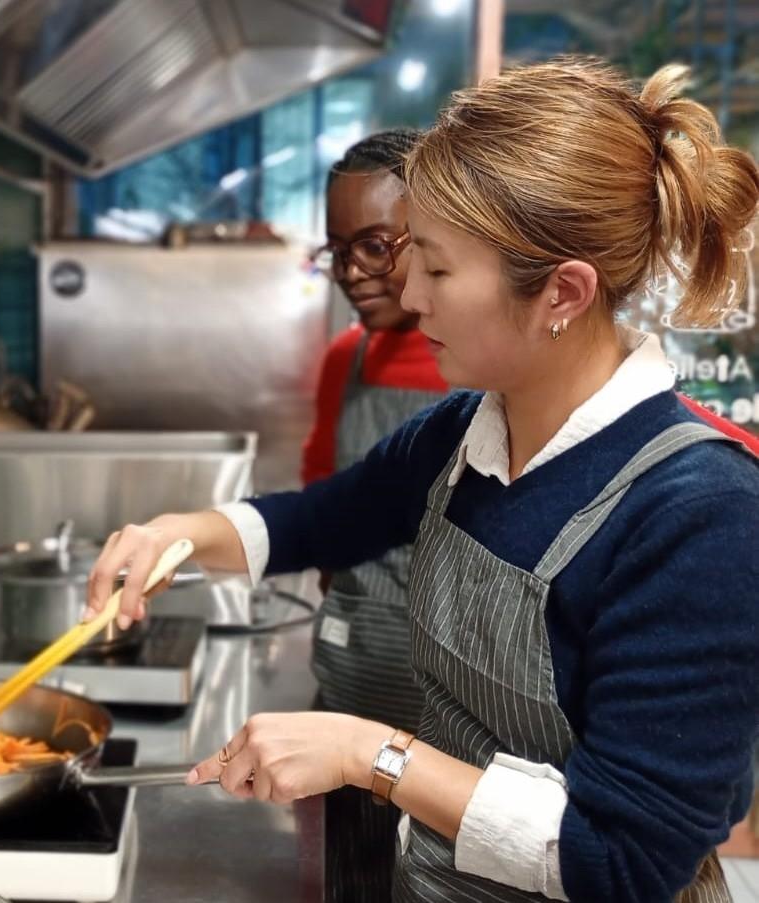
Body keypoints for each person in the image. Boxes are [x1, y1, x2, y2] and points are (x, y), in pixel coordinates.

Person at [86, 58, 759, 901]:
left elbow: (621, 859)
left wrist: (368, 754)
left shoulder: (700, 512)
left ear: (563, 291)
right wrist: (175, 536)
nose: (408, 291)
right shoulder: (471, 429)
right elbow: (318, 520)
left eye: (436, 269)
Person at [303, 129, 447, 901]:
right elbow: (324, 503)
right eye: (336, 249)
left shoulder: (482, 367)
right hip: (346, 703)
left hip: (450, 742)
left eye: (376, 245)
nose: (352, 272)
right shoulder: (344, 359)